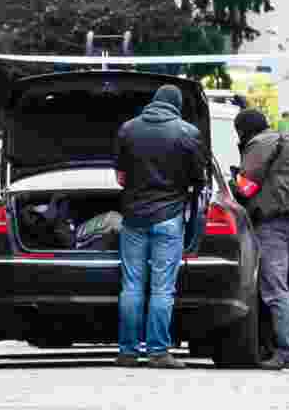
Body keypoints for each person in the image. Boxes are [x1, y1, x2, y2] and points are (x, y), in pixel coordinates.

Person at [113, 85, 206, 369]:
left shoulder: (128, 129)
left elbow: (120, 177)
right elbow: (198, 179)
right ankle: (157, 352)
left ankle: (128, 353)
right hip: (168, 217)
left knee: (131, 286)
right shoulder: (188, 133)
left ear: (154, 102)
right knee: (162, 288)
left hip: (133, 218)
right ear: (176, 105)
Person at [233, 109, 289, 371]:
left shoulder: (260, 143)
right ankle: (275, 346)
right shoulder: (288, 142)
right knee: (276, 285)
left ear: (244, 130)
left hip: (272, 221)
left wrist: (233, 181)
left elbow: (247, 186)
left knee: (274, 288)